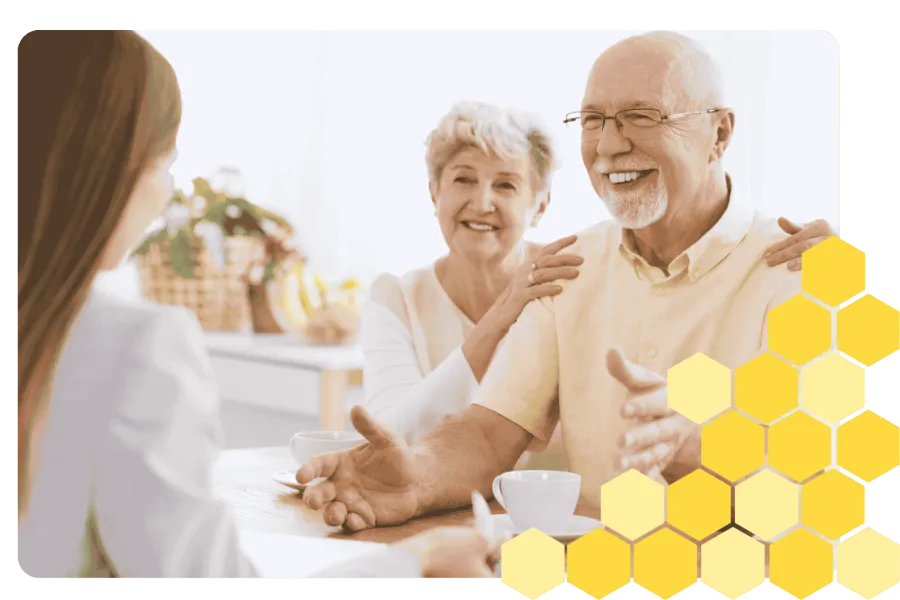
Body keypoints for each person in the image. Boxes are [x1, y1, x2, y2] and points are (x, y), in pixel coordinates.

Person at [296, 31, 836, 532]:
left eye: (640, 116)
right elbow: (489, 433)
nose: (608, 146)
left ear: (719, 133)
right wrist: (419, 476)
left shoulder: (801, 273)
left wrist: (700, 446)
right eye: (594, 119)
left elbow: (821, 489)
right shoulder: (570, 268)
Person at [15, 30, 499, 582]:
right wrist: (416, 561)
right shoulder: (135, 346)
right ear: (122, 164)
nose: (168, 192)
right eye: (167, 161)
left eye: (506, 185)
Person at [359, 101, 833, 471]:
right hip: (454, 517)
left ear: (540, 205)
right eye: (464, 179)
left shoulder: (568, 274)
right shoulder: (397, 296)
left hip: (562, 530)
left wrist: (843, 279)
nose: (482, 203)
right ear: (434, 193)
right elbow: (389, 438)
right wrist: (502, 313)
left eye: (506, 186)